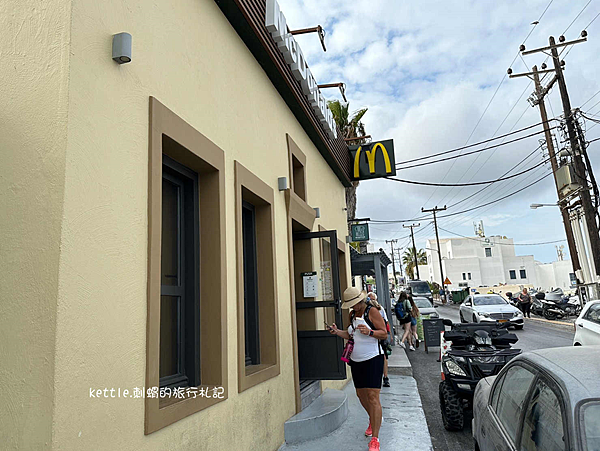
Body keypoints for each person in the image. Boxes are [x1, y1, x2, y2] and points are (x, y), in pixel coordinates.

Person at [329, 287, 387, 451]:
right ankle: (373, 418)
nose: (353, 307)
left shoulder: (372, 311)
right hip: (356, 360)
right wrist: (337, 332)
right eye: (351, 305)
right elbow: (350, 334)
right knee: (361, 395)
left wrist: (370, 332)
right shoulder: (352, 315)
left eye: (354, 304)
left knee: (373, 396)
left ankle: (375, 439)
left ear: (361, 301)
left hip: (373, 359)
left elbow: (383, 333)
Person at [367, 293, 391, 387]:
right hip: (375, 336)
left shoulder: (376, 309)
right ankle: (384, 377)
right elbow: (386, 321)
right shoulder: (377, 309)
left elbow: (386, 322)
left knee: (383, 356)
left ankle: (385, 377)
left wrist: (388, 334)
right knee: (382, 356)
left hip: (377, 335)